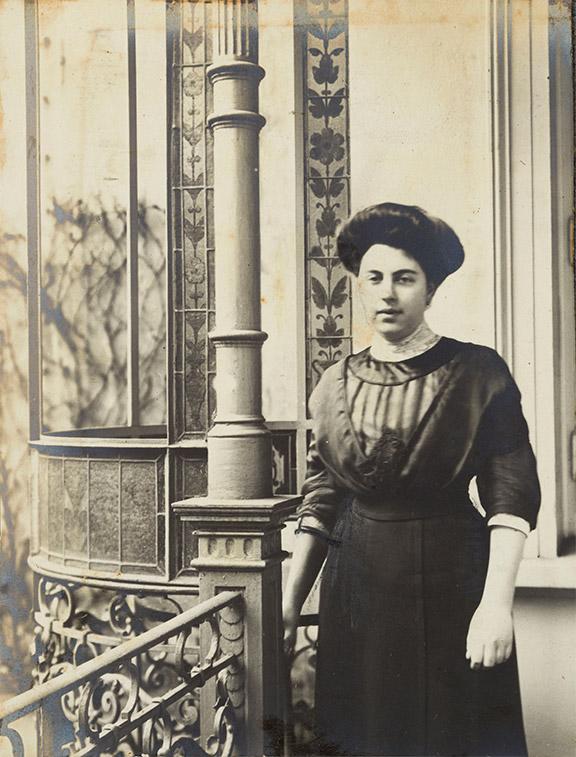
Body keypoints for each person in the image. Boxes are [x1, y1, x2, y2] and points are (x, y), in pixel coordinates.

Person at [282, 203, 540, 757]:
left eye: (404, 278)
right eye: (373, 278)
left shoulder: (478, 373)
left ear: (430, 289)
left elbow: (510, 491)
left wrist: (496, 605)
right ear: (357, 284)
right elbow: (322, 496)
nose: (387, 294)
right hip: (357, 591)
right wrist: (289, 601)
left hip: (453, 582)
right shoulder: (333, 384)